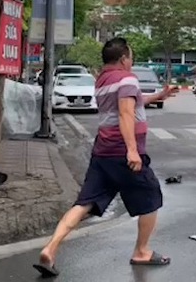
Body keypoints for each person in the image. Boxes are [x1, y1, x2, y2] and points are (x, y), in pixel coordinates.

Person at [33, 37, 178, 278]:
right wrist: (131, 150)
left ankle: (50, 248)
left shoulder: (103, 80)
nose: (132, 61)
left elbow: (132, 103)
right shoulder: (126, 78)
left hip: (102, 153)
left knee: (84, 203)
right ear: (123, 59)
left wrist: (160, 95)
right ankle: (142, 251)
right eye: (131, 56)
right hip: (124, 154)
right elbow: (125, 112)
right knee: (151, 196)